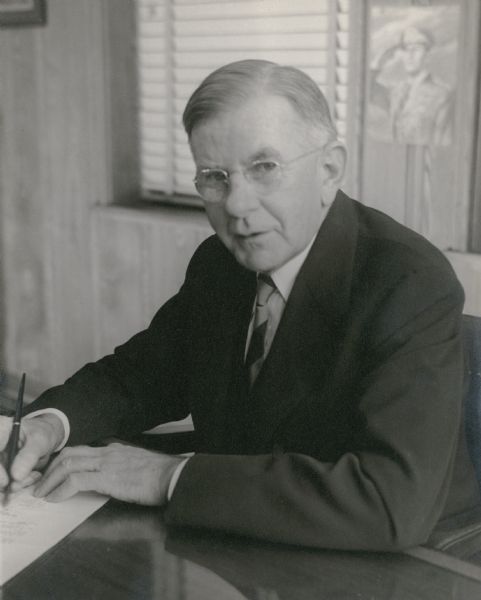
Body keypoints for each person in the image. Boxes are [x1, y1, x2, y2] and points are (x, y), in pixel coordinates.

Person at [0, 60, 479, 551]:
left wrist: (169, 478)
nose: (236, 205)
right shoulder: (220, 261)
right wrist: (50, 424)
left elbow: (387, 501)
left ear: (330, 169)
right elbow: (144, 374)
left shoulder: (409, 281)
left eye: (264, 168)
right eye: (215, 176)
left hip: (412, 556)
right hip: (250, 531)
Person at [370, 26, 453, 146]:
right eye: (405, 49)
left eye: (417, 49)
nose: (410, 55)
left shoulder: (442, 94)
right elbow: (363, 93)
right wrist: (377, 64)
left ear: (428, 55)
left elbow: (443, 143)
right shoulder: (396, 91)